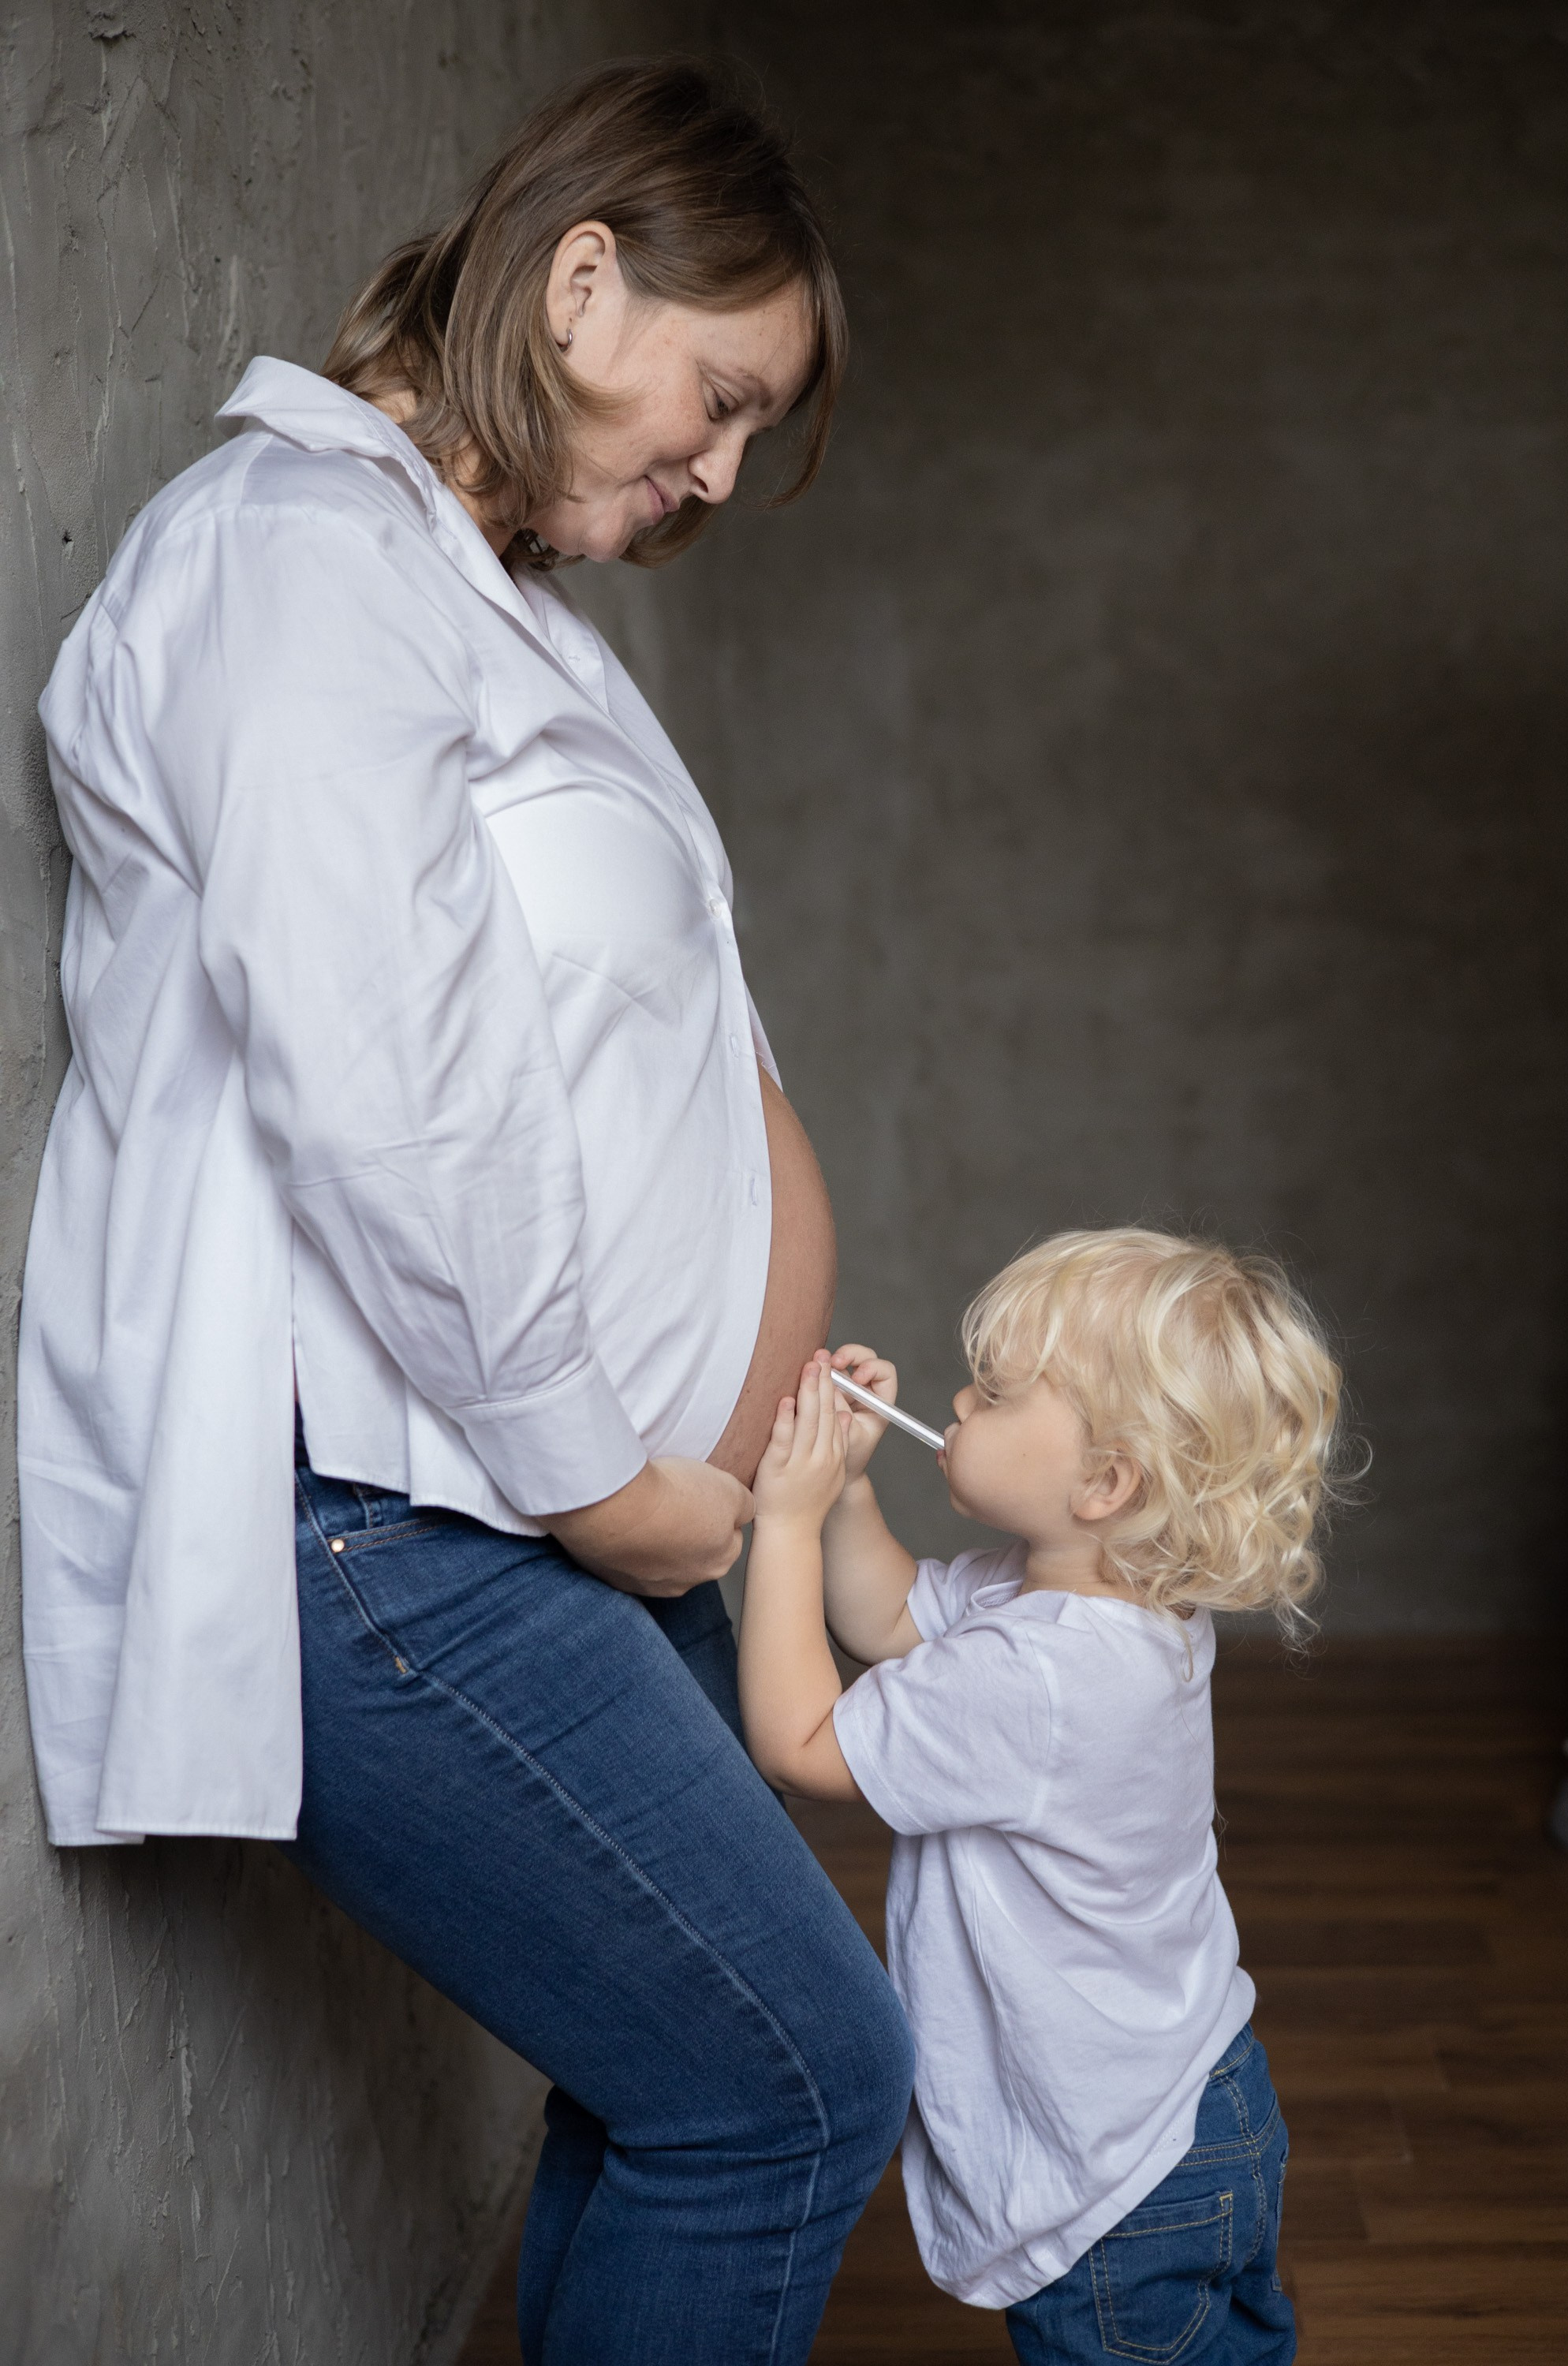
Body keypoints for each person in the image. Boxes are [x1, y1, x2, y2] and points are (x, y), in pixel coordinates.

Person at [19, 60, 912, 2366]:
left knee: (679, 2089)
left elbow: (645, 1062)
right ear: (585, 280)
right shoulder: (295, 558)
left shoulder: (493, 617)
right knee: (800, 2084)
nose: (722, 472)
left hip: (538, 1511)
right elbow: (389, 1079)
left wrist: (739, 1477)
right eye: (723, 399)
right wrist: (599, 1473)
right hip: (402, 1519)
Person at [739, 1228, 1346, 2364]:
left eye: (998, 1391)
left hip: (1115, 2178)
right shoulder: (1105, 1610)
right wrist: (851, 1490)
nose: (959, 1400)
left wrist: (779, 1522)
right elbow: (891, 1622)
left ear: (1105, 1482)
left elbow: (802, 1743)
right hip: (1202, 2101)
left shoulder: (1039, 1681)